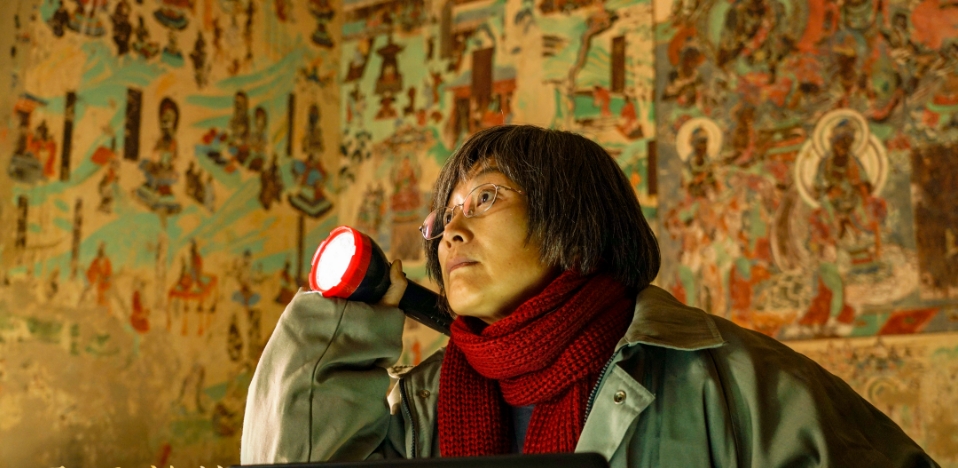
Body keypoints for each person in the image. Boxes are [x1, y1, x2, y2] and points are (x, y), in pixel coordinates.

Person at [241, 125, 937, 467]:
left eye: (485, 198)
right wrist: (338, 321)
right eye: (446, 214)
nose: (450, 231)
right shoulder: (422, 402)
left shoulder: (735, 382)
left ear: (574, 217)